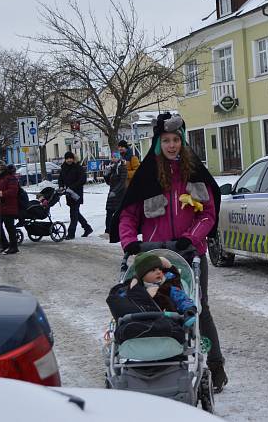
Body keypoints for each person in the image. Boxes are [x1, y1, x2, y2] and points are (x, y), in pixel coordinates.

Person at [112, 112, 228, 393]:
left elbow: (208, 214)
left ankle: (215, 366)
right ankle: (158, 366)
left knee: (198, 308)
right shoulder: (147, 175)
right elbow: (128, 215)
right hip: (154, 255)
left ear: (183, 140)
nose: (172, 145)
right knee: (155, 308)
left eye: (176, 139)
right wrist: (129, 242)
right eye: (166, 140)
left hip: (189, 254)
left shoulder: (194, 172)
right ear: (158, 142)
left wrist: (192, 238)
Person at [58, 151, 92, 240]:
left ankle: (71, 233)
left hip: (77, 194)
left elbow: (82, 180)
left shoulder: (78, 168)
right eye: (67, 158)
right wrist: (61, 186)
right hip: (68, 194)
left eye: (70, 158)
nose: (69, 160)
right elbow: (60, 179)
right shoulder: (63, 168)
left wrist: (72, 187)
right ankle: (87, 228)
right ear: (65, 159)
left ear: (73, 159)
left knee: (73, 214)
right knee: (76, 213)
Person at [102, 152, 127, 239]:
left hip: (120, 194)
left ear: (118, 158)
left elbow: (122, 182)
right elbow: (109, 182)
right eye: (112, 157)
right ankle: (107, 231)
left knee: (118, 213)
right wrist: (106, 175)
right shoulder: (112, 167)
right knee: (109, 212)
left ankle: (120, 231)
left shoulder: (122, 167)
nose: (113, 159)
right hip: (111, 193)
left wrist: (115, 192)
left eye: (115, 157)